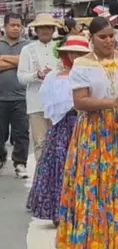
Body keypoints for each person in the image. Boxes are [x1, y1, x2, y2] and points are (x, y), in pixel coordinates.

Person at [56, 16, 118, 249]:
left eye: (111, 36)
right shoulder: (83, 65)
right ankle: (95, 242)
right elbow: (80, 101)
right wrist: (112, 102)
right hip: (94, 131)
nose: (108, 41)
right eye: (103, 37)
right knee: (94, 184)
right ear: (92, 39)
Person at [25, 36, 90, 225]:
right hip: (62, 126)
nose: (75, 56)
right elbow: (47, 100)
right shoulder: (55, 75)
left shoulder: (92, 73)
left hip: (85, 122)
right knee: (59, 164)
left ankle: (83, 209)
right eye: (72, 52)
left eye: (80, 53)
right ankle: (58, 209)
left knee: (83, 165)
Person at [18, 13, 60, 164]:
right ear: (35, 30)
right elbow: (21, 77)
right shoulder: (27, 50)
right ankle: (41, 181)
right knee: (41, 143)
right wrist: (37, 75)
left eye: (48, 27)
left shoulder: (61, 47)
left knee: (58, 144)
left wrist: (55, 74)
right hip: (37, 104)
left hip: (59, 104)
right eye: (41, 27)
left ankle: (57, 179)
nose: (45, 30)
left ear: (53, 29)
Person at [0, 13, 30, 178]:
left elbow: (27, 63)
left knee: (21, 133)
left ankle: (20, 163)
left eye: (18, 25)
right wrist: (17, 61)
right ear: (5, 26)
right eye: (12, 25)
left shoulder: (27, 45)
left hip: (22, 97)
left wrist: (3, 58)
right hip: (1, 97)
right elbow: (21, 62)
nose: (16, 28)